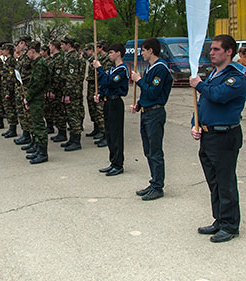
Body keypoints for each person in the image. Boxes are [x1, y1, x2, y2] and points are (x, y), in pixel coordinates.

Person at [190, 35, 246, 243]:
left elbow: (219, 95)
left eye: (216, 49)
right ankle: (220, 219)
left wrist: (199, 85)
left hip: (225, 136)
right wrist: (194, 124)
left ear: (229, 51)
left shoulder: (235, 77)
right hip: (209, 135)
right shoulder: (213, 75)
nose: (211, 53)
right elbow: (203, 103)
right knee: (214, 182)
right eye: (211, 49)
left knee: (225, 182)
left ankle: (231, 225)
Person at [130, 38, 173, 201]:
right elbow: (146, 94)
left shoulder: (160, 68)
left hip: (155, 113)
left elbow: (154, 92)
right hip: (146, 112)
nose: (141, 54)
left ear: (151, 51)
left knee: (155, 151)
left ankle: (158, 186)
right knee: (148, 150)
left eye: (143, 50)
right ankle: (153, 181)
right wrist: (139, 105)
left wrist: (138, 80)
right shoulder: (150, 68)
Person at [93, 42, 129, 176]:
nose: (110, 55)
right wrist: (100, 95)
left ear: (119, 53)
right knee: (109, 133)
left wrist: (100, 69)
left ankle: (118, 164)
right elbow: (105, 85)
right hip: (108, 103)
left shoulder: (122, 69)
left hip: (115, 103)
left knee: (116, 134)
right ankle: (113, 161)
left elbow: (110, 81)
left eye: (111, 52)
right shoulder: (112, 69)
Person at [23, 41, 51, 164]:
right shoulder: (37, 63)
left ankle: (43, 153)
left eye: (27, 51)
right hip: (35, 97)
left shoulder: (40, 64)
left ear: (32, 51)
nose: (26, 54)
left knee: (39, 125)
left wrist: (28, 97)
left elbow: (37, 84)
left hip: (37, 98)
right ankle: (39, 150)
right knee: (36, 124)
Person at [60, 36, 86, 152]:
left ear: (68, 44)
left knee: (73, 115)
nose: (61, 46)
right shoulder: (70, 56)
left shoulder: (73, 58)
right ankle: (72, 138)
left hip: (73, 92)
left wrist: (68, 94)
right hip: (72, 91)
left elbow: (71, 78)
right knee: (70, 115)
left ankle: (76, 141)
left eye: (63, 44)